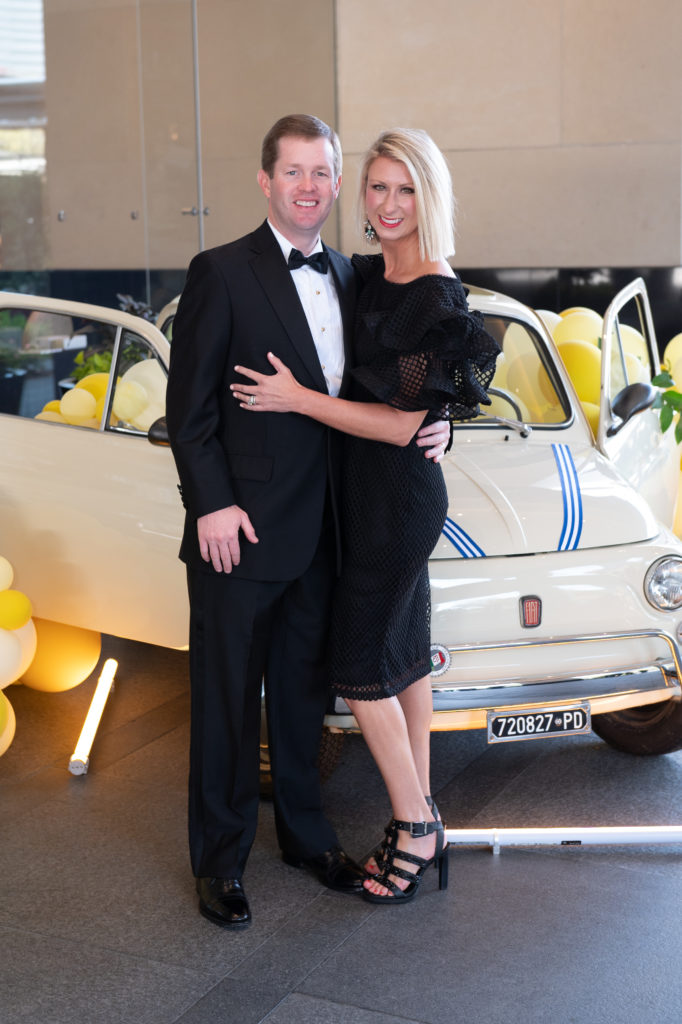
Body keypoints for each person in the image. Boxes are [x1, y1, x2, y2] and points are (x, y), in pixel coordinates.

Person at [165, 115, 450, 927]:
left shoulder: (358, 274)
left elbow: (404, 378)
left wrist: (442, 417)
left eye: (322, 173)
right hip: (240, 530)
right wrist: (210, 503)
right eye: (293, 172)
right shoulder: (219, 272)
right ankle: (220, 862)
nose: (308, 187)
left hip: (332, 530)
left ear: (336, 185)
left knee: (300, 698)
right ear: (266, 181)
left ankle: (306, 837)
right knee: (226, 703)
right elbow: (188, 413)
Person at [230, 127, 500, 904]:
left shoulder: (435, 294)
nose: (387, 204)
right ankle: (416, 811)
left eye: (404, 189)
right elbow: (411, 405)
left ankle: (417, 827)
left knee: (361, 668)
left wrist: (299, 399)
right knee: (405, 658)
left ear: (430, 198)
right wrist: (434, 417)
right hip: (361, 495)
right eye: (377, 187)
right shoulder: (370, 277)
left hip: (397, 504)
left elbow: (400, 423)